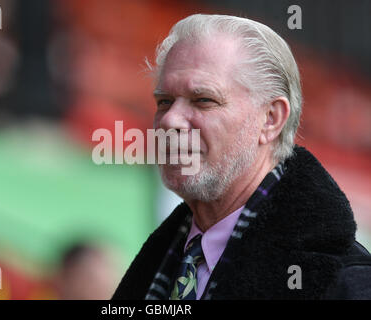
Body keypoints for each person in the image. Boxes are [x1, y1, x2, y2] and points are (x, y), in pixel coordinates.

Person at [112, 14, 371, 300]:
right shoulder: (161, 263)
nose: (170, 120)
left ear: (270, 119)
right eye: (164, 102)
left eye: (203, 100)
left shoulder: (347, 285)